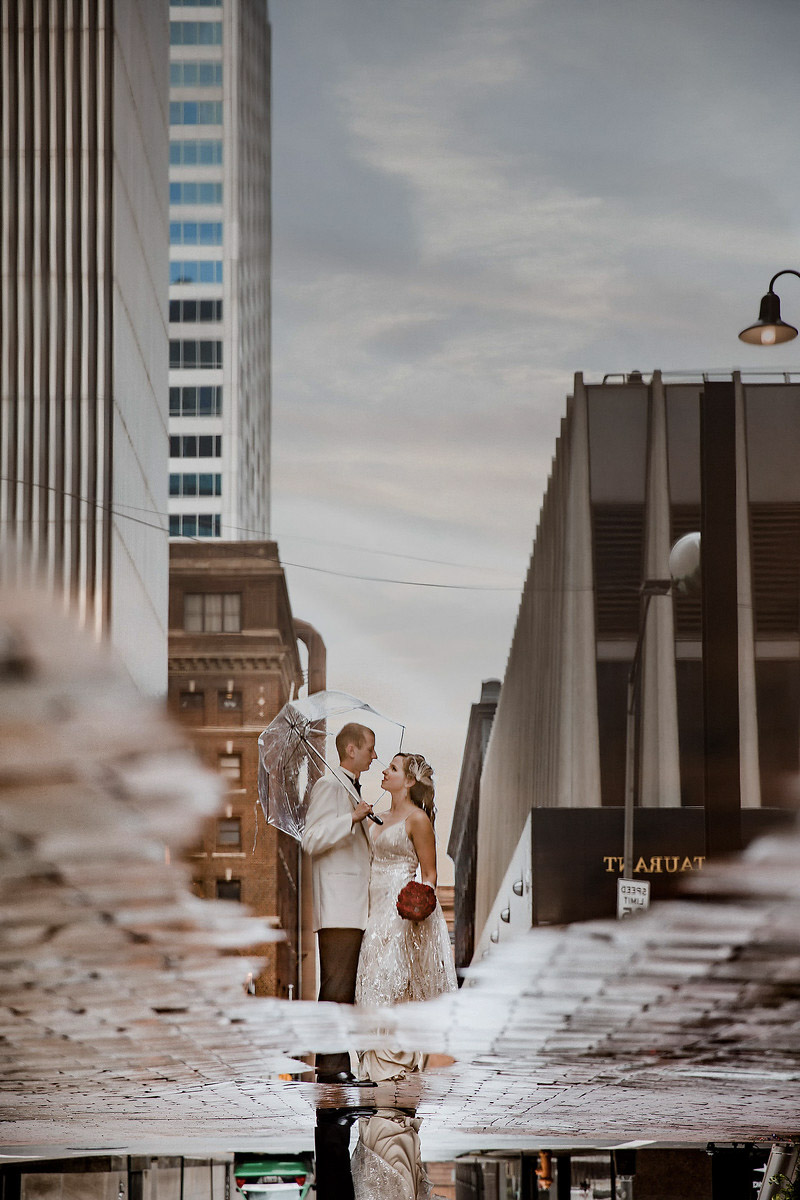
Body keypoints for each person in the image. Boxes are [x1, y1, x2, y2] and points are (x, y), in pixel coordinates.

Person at [355, 752, 457, 1082]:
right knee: (372, 990)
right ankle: (376, 1071)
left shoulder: (418, 820)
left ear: (409, 781)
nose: (384, 770)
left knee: (395, 988)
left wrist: (416, 905)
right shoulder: (375, 819)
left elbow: (430, 875)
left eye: (393, 768)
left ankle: (396, 1071)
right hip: (373, 916)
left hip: (401, 917)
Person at [302, 722, 377, 1084]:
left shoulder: (348, 788)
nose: (374, 756)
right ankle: (331, 1068)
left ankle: (337, 1064)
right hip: (337, 906)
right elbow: (311, 839)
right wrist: (352, 817)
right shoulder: (328, 785)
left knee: (342, 990)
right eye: (370, 749)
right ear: (351, 749)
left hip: (352, 907)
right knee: (335, 989)